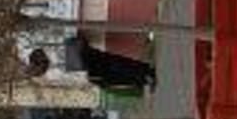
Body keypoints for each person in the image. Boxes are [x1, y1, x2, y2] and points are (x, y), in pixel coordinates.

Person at [26, 36, 156, 92]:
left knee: (117, 67)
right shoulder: (45, 67)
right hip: (87, 65)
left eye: (33, 70)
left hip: (87, 62)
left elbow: (64, 51)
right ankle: (144, 76)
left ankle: (145, 74)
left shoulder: (42, 56)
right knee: (115, 71)